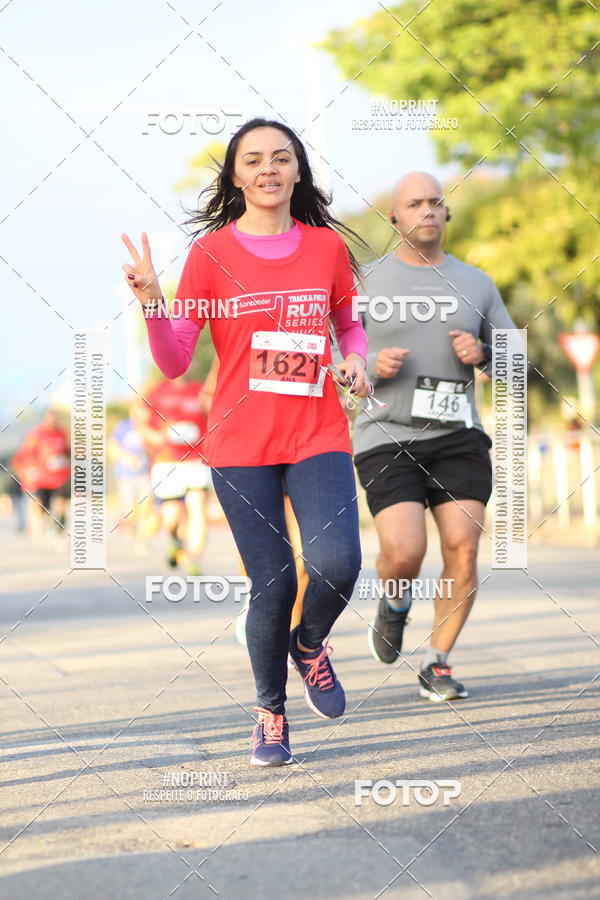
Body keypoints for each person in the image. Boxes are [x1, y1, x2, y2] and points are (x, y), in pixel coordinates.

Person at [121, 117, 370, 766]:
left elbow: (349, 322)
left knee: (339, 564)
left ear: (297, 171)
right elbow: (176, 360)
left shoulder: (325, 250)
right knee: (273, 580)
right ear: (235, 175)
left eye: (280, 158)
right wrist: (151, 300)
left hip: (317, 431)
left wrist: (356, 358)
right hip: (239, 443)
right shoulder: (210, 255)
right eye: (253, 159)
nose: (268, 168)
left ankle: (309, 643)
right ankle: (270, 712)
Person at [354, 171, 516, 702]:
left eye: (435, 202)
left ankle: (438, 661)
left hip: (456, 435)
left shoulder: (476, 283)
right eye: (414, 203)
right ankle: (394, 604)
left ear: (446, 213)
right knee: (404, 552)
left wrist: (485, 355)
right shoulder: (365, 282)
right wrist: (369, 366)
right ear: (394, 217)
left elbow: (518, 361)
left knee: (463, 548)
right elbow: (332, 357)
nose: (427, 210)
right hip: (386, 432)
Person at [142, 375, 211, 575]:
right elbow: (140, 418)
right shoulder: (157, 391)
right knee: (171, 517)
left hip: (196, 460)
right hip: (167, 462)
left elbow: (215, 415)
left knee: (198, 509)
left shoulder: (201, 389)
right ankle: (176, 541)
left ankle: (193, 560)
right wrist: (150, 435)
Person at [12, 409, 70, 544]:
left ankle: (59, 530)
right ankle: (40, 526)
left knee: (62, 502)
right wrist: (30, 469)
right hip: (43, 478)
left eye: (55, 419)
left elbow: (68, 451)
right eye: (50, 419)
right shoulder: (37, 434)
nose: (53, 422)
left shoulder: (62, 434)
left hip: (60, 476)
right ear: (45, 420)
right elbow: (27, 453)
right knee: (42, 506)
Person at [108, 399, 154, 554]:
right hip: (127, 475)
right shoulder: (123, 427)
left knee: (146, 507)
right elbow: (112, 447)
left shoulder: (149, 427)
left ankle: (142, 540)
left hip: (145, 474)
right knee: (130, 509)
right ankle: (132, 529)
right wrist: (126, 457)